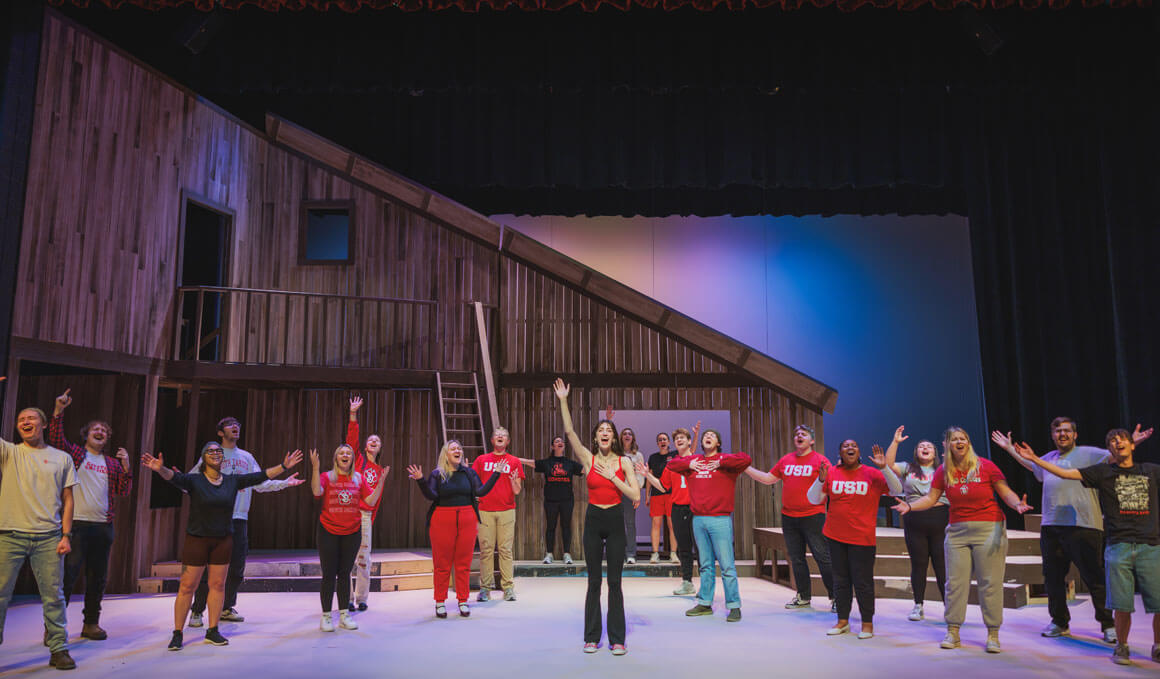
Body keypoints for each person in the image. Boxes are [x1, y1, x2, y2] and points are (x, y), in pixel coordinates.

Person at [993, 419, 1152, 643]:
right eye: (1058, 431)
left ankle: (1108, 624)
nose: (1062, 434)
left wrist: (1132, 442)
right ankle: (1059, 621)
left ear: (1075, 435)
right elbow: (1033, 465)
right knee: (1053, 578)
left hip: (1084, 525)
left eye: (1067, 431)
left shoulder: (1089, 453)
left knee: (1094, 578)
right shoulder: (1048, 458)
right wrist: (1010, 449)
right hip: (1051, 526)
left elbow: (1114, 457)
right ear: (1053, 435)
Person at [143, 444, 302, 651]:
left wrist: (283, 466)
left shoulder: (232, 481)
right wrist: (159, 469)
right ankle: (177, 633)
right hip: (197, 539)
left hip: (223, 540)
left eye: (219, 452)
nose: (216, 453)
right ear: (203, 458)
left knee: (218, 586)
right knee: (187, 587)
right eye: (211, 451)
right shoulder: (194, 481)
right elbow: (174, 478)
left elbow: (260, 476)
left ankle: (212, 630)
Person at [895, 427, 1031, 654]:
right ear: (947, 444)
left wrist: (1016, 504)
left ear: (968, 442)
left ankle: (993, 633)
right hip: (957, 530)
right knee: (955, 583)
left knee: (990, 583)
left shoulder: (986, 466)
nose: (959, 442)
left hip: (989, 528)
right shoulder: (943, 470)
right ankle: (953, 630)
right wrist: (909, 506)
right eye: (954, 439)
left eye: (963, 439)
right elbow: (930, 498)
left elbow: (1004, 491)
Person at [188, 417, 304, 628]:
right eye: (230, 425)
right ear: (221, 432)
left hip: (239, 518)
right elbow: (191, 482)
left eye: (238, 425)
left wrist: (284, 483)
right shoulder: (213, 454)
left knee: (236, 567)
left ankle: (226, 607)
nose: (236, 427)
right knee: (208, 569)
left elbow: (261, 482)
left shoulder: (246, 457)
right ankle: (197, 610)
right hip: (214, 519)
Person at [553, 378, 640, 655]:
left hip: (614, 520)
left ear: (613, 438)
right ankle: (591, 637)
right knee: (593, 582)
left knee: (615, 582)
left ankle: (617, 639)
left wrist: (611, 479)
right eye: (600, 429)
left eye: (608, 430)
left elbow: (635, 495)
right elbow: (569, 431)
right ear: (595, 437)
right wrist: (564, 400)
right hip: (593, 520)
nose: (605, 433)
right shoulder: (588, 459)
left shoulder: (624, 461)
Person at [0, 389, 79, 670]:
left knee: (53, 597)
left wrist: (66, 535)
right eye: (21, 418)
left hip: (49, 538)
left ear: (44, 424)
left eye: (32, 417)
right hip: (9, 535)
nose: (25, 421)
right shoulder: (9, 452)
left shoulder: (61, 458)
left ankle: (59, 649)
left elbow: (69, 500)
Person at [48, 388, 132, 641]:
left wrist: (127, 467)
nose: (100, 432)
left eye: (104, 431)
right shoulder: (76, 454)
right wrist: (59, 411)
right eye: (96, 429)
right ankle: (54, 627)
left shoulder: (113, 464)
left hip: (103, 527)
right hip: (76, 526)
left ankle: (91, 624)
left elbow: (123, 490)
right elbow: (56, 439)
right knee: (68, 577)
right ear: (87, 434)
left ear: (107, 438)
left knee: (97, 579)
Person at [807, 440, 901, 639]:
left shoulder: (872, 473)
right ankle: (842, 621)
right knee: (840, 581)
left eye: (854, 446)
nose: (850, 448)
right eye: (845, 446)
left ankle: (867, 623)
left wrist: (884, 468)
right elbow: (814, 500)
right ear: (840, 451)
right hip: (835, 536)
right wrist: (820, 481)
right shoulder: (831, 472)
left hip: (862, 537)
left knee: (863, 582)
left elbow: (896, 490)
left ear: (858, 452)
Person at [408, 440, 503, 618]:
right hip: (442, 519)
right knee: (442, 563)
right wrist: (421, 480)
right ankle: (440, 601)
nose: (457, 450)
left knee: (463, 562)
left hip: (467, 517)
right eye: (453, 448)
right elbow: (431, 496)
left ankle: (463, 600)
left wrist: (496, 474)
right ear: (446, 453)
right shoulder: (438, 474)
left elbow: (480, 492)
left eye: (459, 448)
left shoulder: (468, 472)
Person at [745, 424, 835, 611]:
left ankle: (836, 598)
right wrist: (746, 468)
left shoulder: (821, 461)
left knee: (822, 557)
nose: (799, 436)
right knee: (796, 558)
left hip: (814, 516)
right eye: (796, 434)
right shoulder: (786, 460)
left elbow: (830, 487)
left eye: (804, 434)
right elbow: (768, 478)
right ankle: (803, 596)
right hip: (789, 517)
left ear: (811, 440)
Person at [667, 429, 751, 622]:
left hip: (720, 519)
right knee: (705, 565)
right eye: (706, 435)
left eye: (713, 435)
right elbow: (672, 464)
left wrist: (721, 462)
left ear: (718, 442)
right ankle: (705, 602)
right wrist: (690, 462)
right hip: (699, 519)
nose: (708, 437)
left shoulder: (726, 461)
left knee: (727, 565)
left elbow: (746, 459)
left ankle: (734, 605)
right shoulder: (695, 462)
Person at [310, 444, 388, 632]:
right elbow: (316, 492)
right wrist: (315, 468)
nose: (345, 455)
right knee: (329, 575)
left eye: (349, 454)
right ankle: (326, 616)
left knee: (345, 574)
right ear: (336, 458)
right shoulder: (327, 476)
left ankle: (344, 615)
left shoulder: (359, 478)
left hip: (352, 532)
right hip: (328, 531)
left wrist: (381, 482)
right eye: (341, 453)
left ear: (352, 459)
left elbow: (370, 501)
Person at [882, 425, 948, 622]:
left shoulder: (943, 469)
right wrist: (895, 441)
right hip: (914, 519)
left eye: (929, 446)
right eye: (921, 446)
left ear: (935, 452)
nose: (925, 448)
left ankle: (949, 607)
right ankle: (918, 605)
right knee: (918, 564)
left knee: (942, 565)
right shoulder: (908, 468)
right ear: (916, 452)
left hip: (940, 518)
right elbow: (888, 463)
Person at [637, 424, 700, 595]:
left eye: (682, 438)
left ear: (688, 442)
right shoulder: (671, 465)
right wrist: (647, 474)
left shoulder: (697, 461)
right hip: (678, 509)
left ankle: (707, 584)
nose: (679, 440)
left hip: (696, 509)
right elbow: (663, 486)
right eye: (676, 438)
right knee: (684, 549)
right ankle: (687, 582)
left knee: (701, 547)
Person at [345, 396, 387, 612]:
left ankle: (361, 598)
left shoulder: (379, 471)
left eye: (377, 441)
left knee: (364, 559)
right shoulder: (358, 461)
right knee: (347, 558)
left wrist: (370, 519)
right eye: (370, 439)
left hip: (365, 517)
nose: (373, 442)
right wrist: (353, 415)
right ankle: (347, 598)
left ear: (379, 449)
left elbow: (377, 500)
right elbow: (351, 441)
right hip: (350, 514)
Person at [472, 427, 524, 602]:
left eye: (504, 435)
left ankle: (508, 587)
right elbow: (474, 485)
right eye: (497, 435)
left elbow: (517, 491)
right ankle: (485, 588)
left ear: (508, 441)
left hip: (507, 511)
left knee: (505, 550)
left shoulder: (514, 461)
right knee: (486, 551)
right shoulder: (481, 460)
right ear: (492, 440)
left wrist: (511, 482)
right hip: (485, 511)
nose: (500, 436)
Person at [517, 436, 583, 564]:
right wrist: (516, 459)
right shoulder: (547, 462)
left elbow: (586, 470)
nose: (560, 443)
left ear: (563, 447)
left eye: (561, 441)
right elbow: (531, 462)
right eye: (556, 441)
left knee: (566, 527)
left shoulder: (570, 463)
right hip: (551, 500)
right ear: (552, 447)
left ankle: (567, 554)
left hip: (567, 500)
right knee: (551, 527)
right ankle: (549, 554)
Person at [646, 432, 679, 564]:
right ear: (657, 443)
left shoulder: (675, 455)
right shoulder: (653, 457)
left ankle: (673, 554)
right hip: (656, 495)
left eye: (665, 439)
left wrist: (695, 435)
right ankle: (654, 554)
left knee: (672, 525)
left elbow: (691, 450)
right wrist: (647, 495)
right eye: (660, 440)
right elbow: (649, 477)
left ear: (669, 442)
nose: (662, 441)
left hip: (672, 494)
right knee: (656, 524)